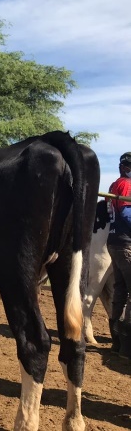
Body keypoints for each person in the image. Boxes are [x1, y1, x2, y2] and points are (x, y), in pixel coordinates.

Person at [106, 152, 131, 358]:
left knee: (120, 292)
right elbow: (125, 212)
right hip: (126, 244)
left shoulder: (113, 185)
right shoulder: (126, 185)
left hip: (113, 242)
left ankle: (116, 343)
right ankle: (127, 346)